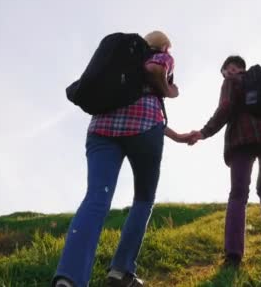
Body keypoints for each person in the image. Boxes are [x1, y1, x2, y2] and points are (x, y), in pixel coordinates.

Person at [53, 31, 191, 287]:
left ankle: (69, 278)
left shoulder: (121, 60)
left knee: (96, 197)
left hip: (101, 130)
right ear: (164, 46)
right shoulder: (160, 56)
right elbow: (154, 70)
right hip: (144, 131)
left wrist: (178, 136)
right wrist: (169, 89)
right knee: (144, 199)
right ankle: (121, 271)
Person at [187, 55, 261, 267]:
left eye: (225, 71)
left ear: (231, 69)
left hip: (243, 138)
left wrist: (204, 132)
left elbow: (225, 107)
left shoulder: (231, 81)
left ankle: (233, 256)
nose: (225, 74)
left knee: (238, 194)